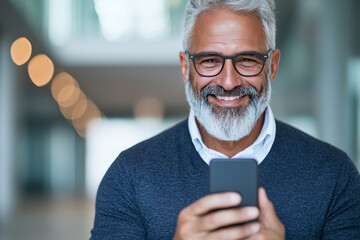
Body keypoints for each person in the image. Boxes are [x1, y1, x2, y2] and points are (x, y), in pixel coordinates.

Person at [90, 0, 360, 239]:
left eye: (246, 60)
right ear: (186, 67)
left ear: (273, 66)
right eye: (209, 61)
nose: (228, 82)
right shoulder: (129, 176)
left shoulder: (335, 175)